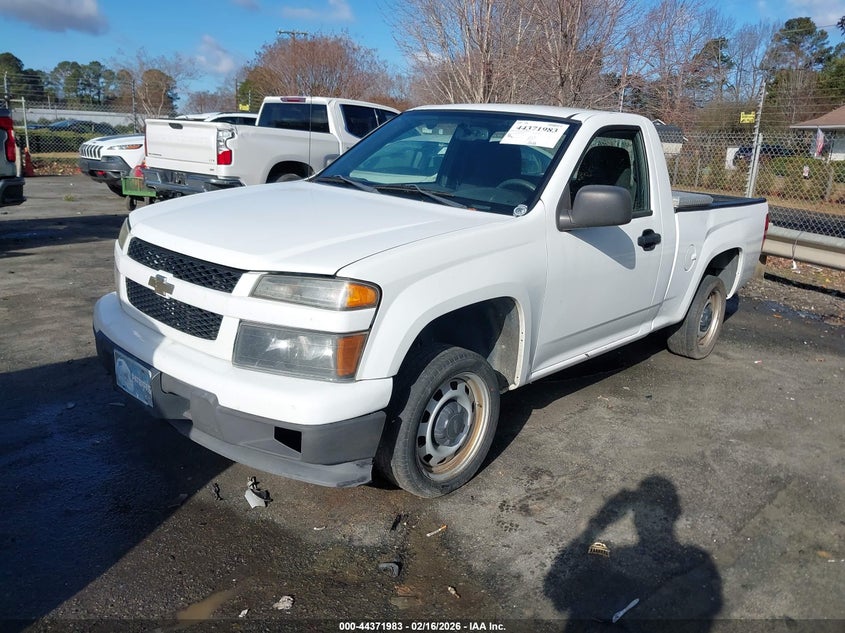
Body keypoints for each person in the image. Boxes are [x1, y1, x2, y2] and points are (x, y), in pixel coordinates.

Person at [543, 475, 722, 632]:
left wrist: (599, 523)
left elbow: (556, 595)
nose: (645, 517)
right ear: (676, 512)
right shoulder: (694, 561)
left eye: (650, 508)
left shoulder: (688, 561)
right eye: (642, 510)